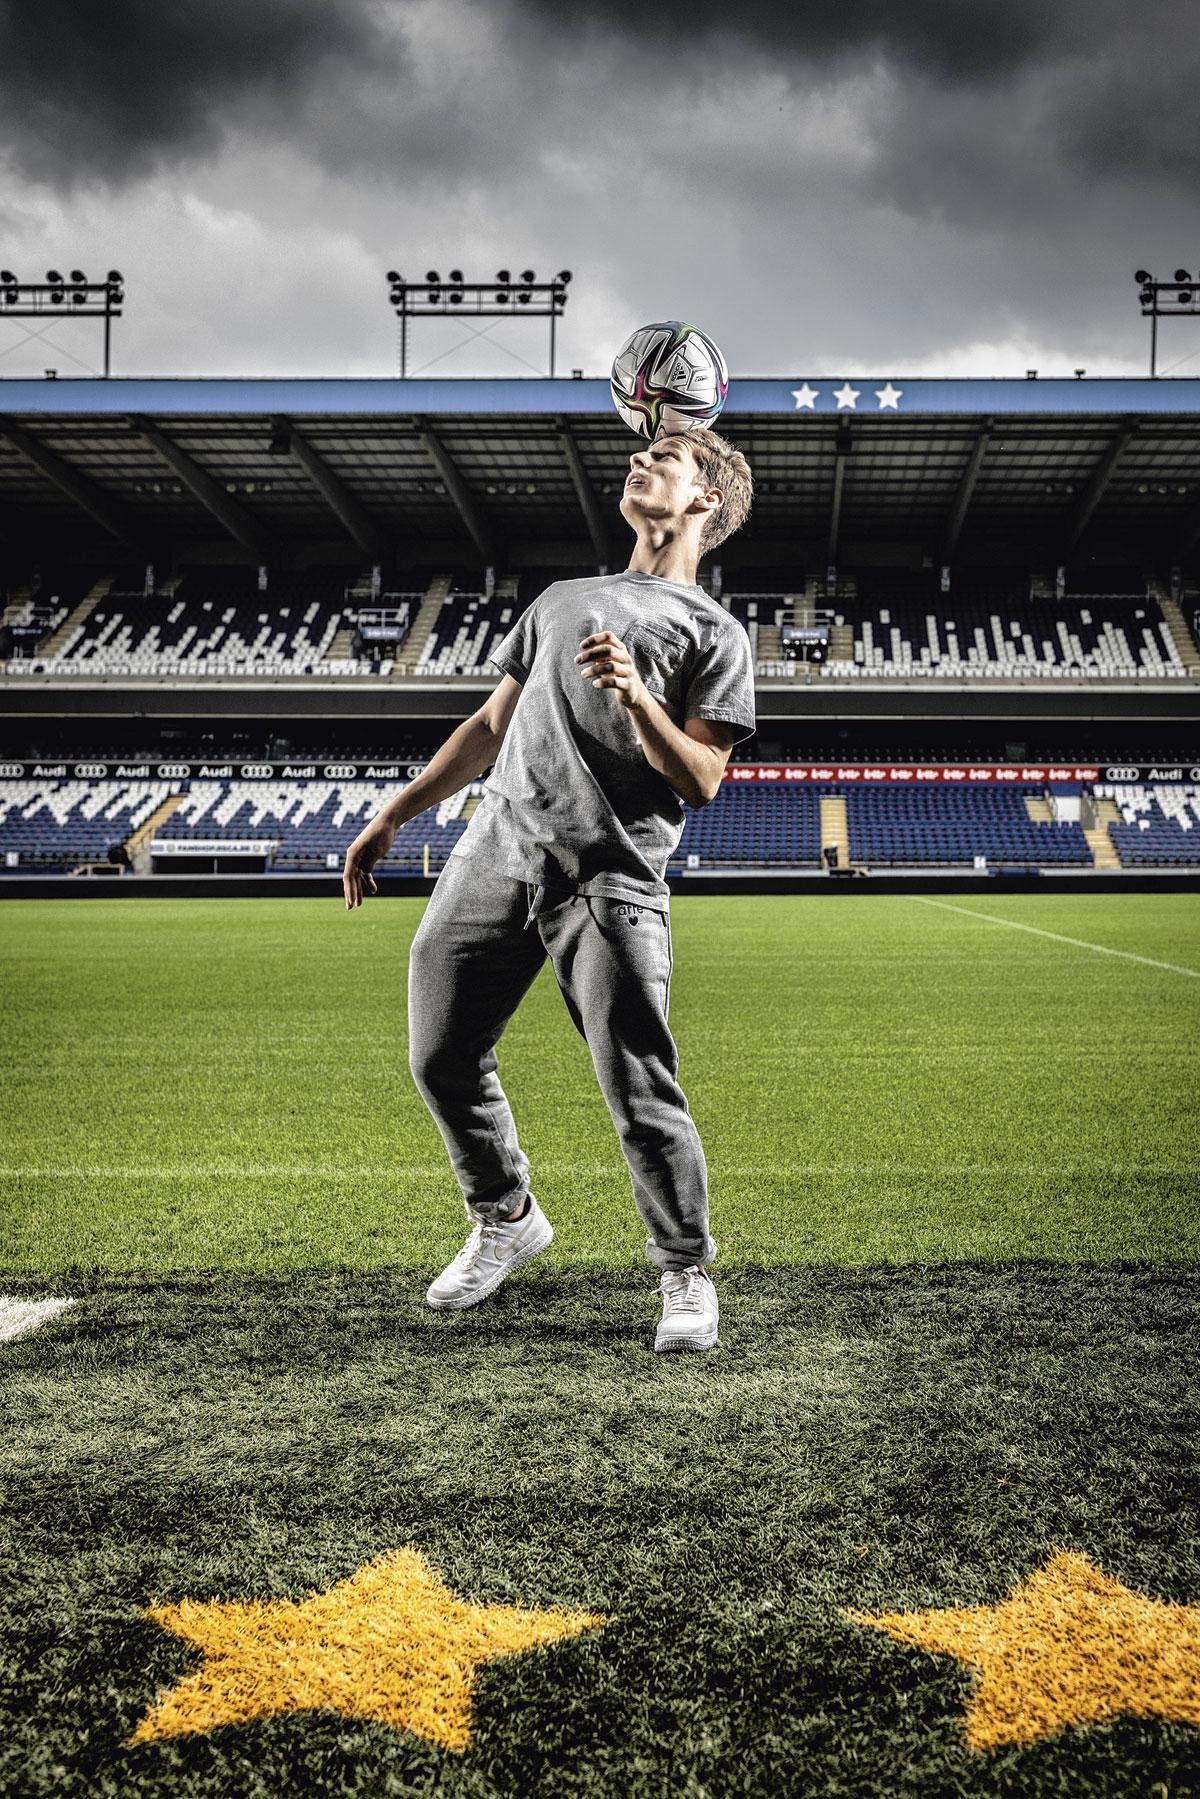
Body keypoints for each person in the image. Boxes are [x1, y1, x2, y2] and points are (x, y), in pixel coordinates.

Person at [343, 426, 755, 1351]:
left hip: (610, 877)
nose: (641, 462)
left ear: (704, 502)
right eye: (641, 456)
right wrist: (395, 812)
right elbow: (492, 723)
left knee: (638, 1087)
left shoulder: (717, 633)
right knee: (440, 1054)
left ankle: (685, 1270)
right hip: (495, 853)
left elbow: (701, 777)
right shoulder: (562, 598)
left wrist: (637, 694)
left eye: (668, 460)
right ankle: (506, 1213)